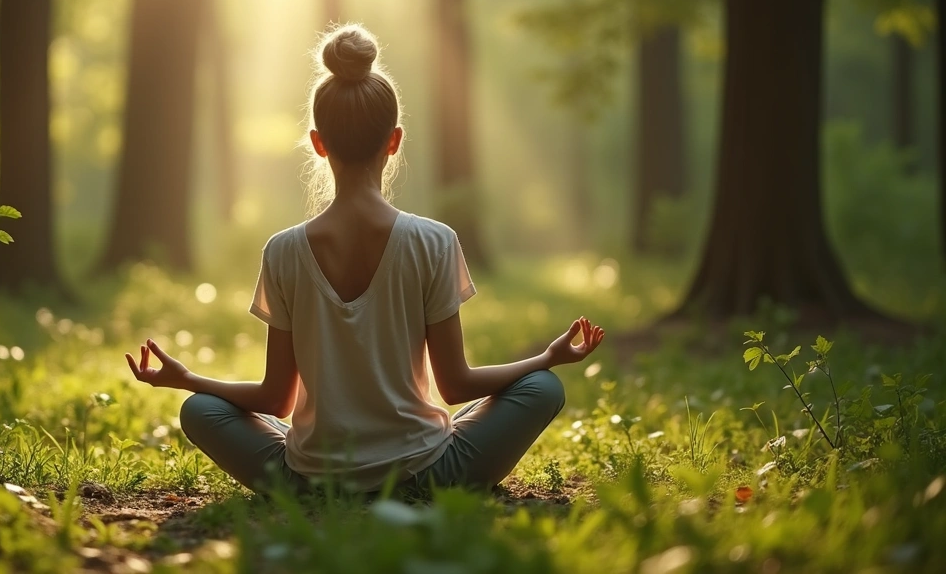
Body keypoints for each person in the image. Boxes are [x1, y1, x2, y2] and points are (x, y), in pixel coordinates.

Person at [125, 24, 604, 496]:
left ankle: (315, 485)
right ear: (394, 141)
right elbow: (456, 386)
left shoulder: (282, 250)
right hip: (429, 473)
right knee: (543, 387)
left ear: (318, 143)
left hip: (312, 478)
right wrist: (548, 357)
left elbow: (276, 399)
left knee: (199, 409)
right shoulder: (434, 241)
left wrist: (187, 379)